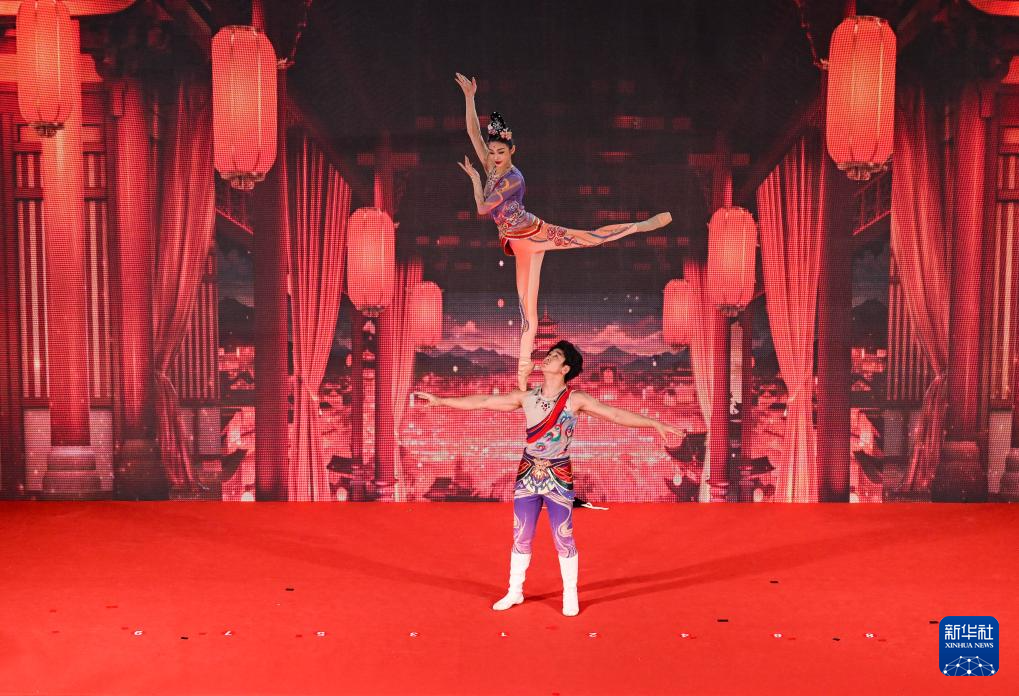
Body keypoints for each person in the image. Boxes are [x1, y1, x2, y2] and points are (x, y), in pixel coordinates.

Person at [415, 340, 685, 617]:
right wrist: (441, 401)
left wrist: (654, 423)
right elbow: (483, 401)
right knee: (521, 534)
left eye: (554, 356)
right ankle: (515, 590)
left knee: (563, 536)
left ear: (565, 369)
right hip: (528, 473)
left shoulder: (575, 399)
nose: (546, 358)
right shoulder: (526, 397)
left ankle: (570, 593)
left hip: (558, 474)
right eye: (548, 354)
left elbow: (614, 414)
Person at [454, 73, 673, 392]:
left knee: (591, 237)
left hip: (536, 233)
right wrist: (470, 98)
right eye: (492, 153)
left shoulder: (513, 178)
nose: (494, 157)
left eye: (500, 152)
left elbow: (481, 208)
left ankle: (641, 225)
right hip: (518, 244)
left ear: (512, 151)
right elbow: (474, 133)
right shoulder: (492, 168)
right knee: (527, 313)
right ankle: (522, 372)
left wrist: (475, 180)